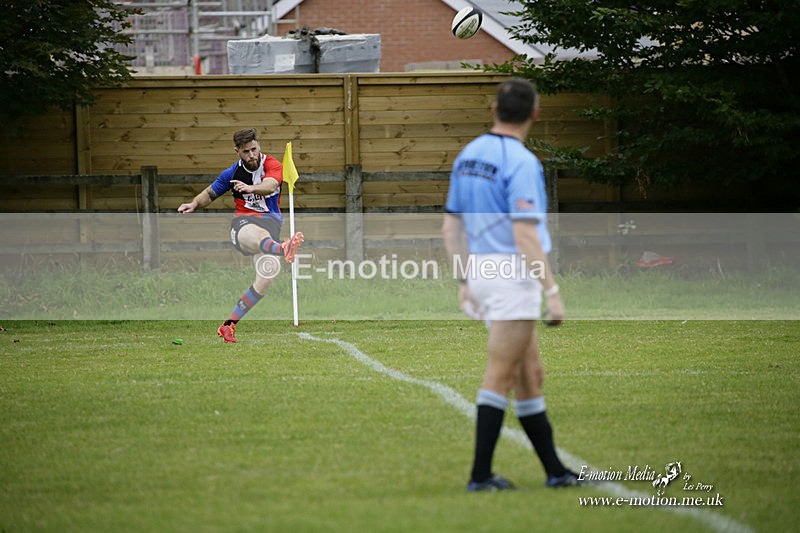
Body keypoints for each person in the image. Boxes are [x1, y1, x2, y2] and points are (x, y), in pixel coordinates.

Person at [442, 78, 580, 491]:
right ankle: (480, 476)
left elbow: (451, 227)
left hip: (485, 272)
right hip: (511, 276)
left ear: (493, 109)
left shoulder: (468, 155)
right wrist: (552, 293)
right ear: (534, 114)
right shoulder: (521, 161)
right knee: (501, 374)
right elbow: (524, 236)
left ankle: (555, 471)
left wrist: (465, 280)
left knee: (529, 374)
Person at [178, 128, 303, 343]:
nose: (252, 155)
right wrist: (194, 204)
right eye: (246, 152)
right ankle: (283, 249)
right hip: (243, 225)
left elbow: (271, 184)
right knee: (254, 233)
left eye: (254, 149)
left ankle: (228, 326)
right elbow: (209, 193)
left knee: (268, 274)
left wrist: (250, 188)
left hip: (271, 227)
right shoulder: (231, 174)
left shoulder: (272, 165)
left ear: (259, 146)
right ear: (238, 152)